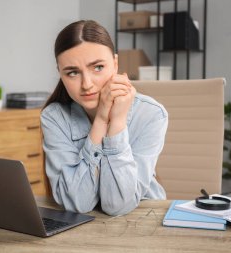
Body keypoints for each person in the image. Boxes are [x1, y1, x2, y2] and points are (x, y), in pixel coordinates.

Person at [41, 20, 168, 216]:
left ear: (115, 64)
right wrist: (101, 120)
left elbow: (117, 205)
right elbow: (78, 204)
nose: (87, 84)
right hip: (83, 231)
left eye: (98, 67)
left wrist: (117, 122)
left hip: (145, 219)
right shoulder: (54, 117)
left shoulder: (151, 114)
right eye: (73, 72)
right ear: (60, 74)